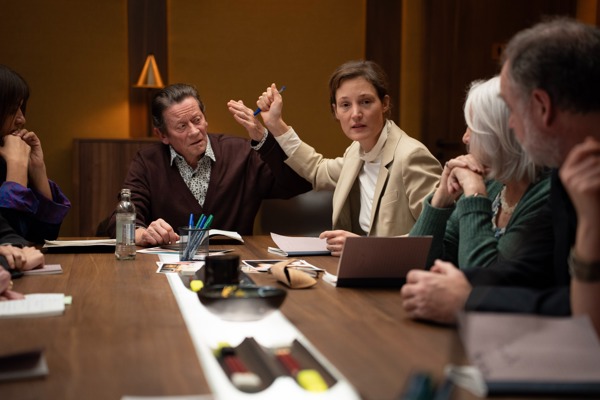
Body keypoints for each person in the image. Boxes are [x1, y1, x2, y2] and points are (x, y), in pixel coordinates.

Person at [400, 18, 600, 325]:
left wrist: (469, 299)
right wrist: (455, 286)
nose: (511, 125)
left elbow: (581, 311)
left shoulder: (556, 182)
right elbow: (527, 269)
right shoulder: (569, 175)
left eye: (512, 109)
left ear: (542, 107)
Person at [245, 60, 442, 256]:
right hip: (362, 264)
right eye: (345, 105)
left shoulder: (411, 156)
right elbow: (317, 170)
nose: (356, 114)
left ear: (385, 104)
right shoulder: (356, 152)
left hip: (404, 270)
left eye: (366, 102)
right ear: (336, 111)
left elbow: (438, 236)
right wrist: (275, 123)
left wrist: (363, 246)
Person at [106, 83, 311, 246]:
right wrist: (143, 234)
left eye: (197, 120)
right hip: (171, 266)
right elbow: (119, 219)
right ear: (162, 135)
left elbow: (299, 183)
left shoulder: (241, 153)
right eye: (182, 126)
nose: (194, 131)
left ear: (205, 119)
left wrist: (263, 136)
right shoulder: (148, 161)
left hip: (234, 263)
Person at [409, 76, 549, 269]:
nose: (465, 138)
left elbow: (485, 277)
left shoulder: (547, 195)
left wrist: (475, 193)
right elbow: (415, 260)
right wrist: (441, 200)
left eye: (474, 128)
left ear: (504, 134)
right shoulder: (493, 183)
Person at [0, 65, 71, 243]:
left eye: (21, 108)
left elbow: (45, 235)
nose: (21, 119)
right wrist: (16, 167)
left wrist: (37, 170)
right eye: (12, 110)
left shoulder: (4, 158)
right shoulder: (12, 161)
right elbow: (10, 242)